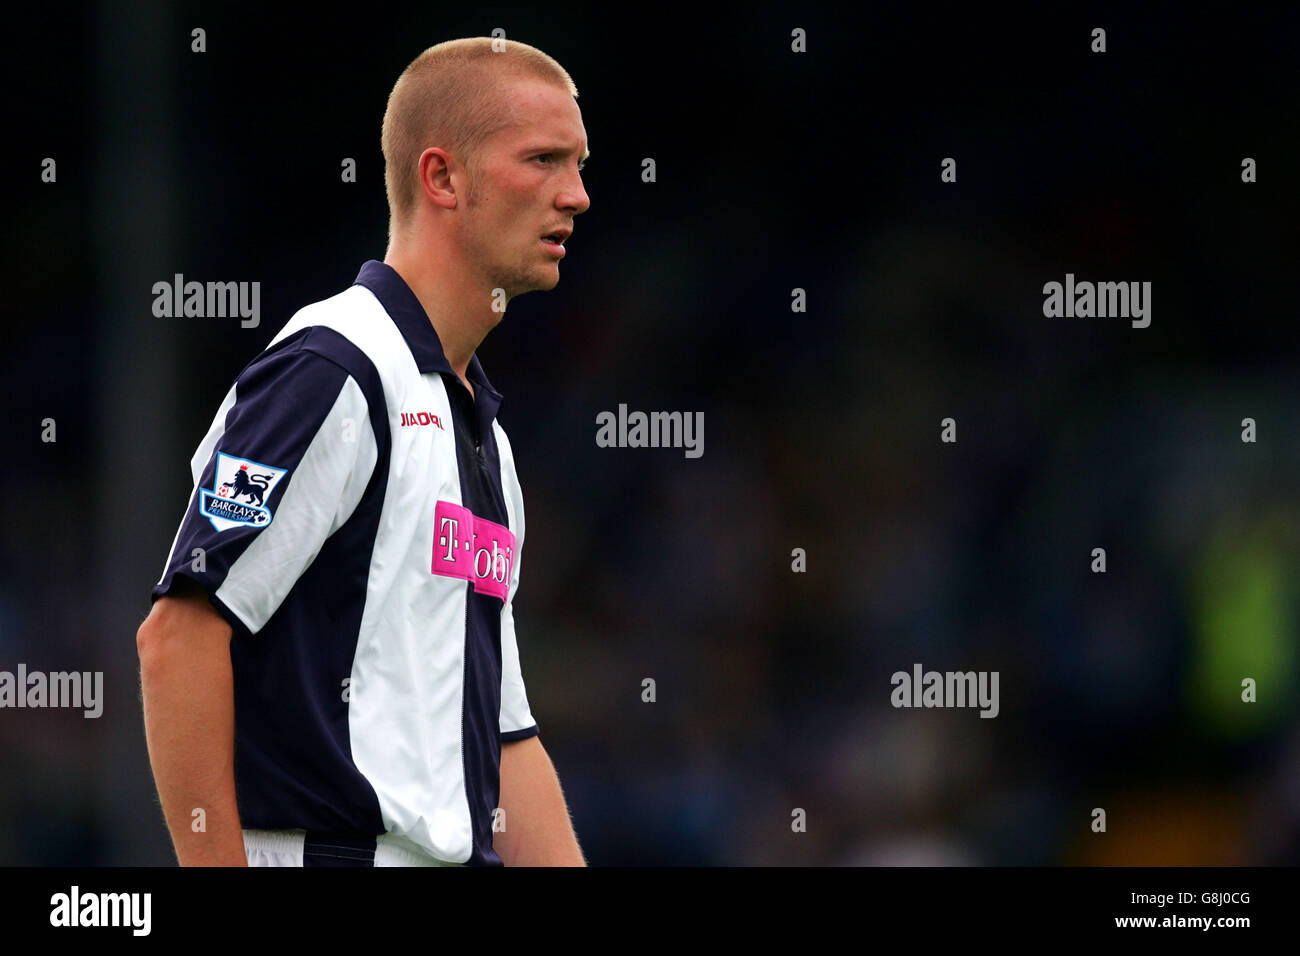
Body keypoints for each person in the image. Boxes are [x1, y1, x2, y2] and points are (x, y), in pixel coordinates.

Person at [136, 36, 590, 867]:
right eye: (544, 160)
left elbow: (504, 736)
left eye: (580, 164)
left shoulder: (484, 437)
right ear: (442, 177)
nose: (579, 195)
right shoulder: (332, 370)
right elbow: (179, 639)